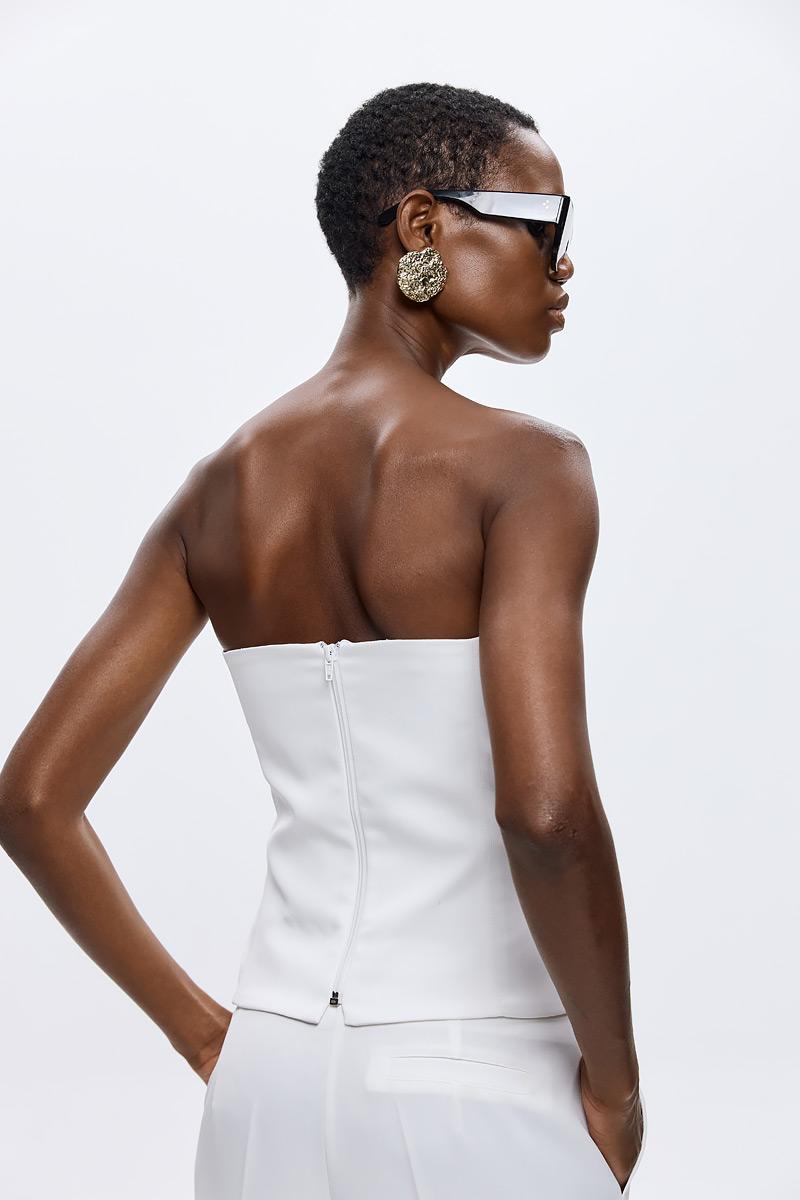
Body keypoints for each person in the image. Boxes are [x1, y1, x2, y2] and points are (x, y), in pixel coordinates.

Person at [0, 81, 647, 1198]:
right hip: (477, 1080)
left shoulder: (217, 490)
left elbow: (31, 800)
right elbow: (545, 816)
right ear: (421, 226)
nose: (565, 265)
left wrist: (206, 1035)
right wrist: (617, 1084)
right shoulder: (528, 470)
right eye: (546, 225)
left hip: (267, 1081)